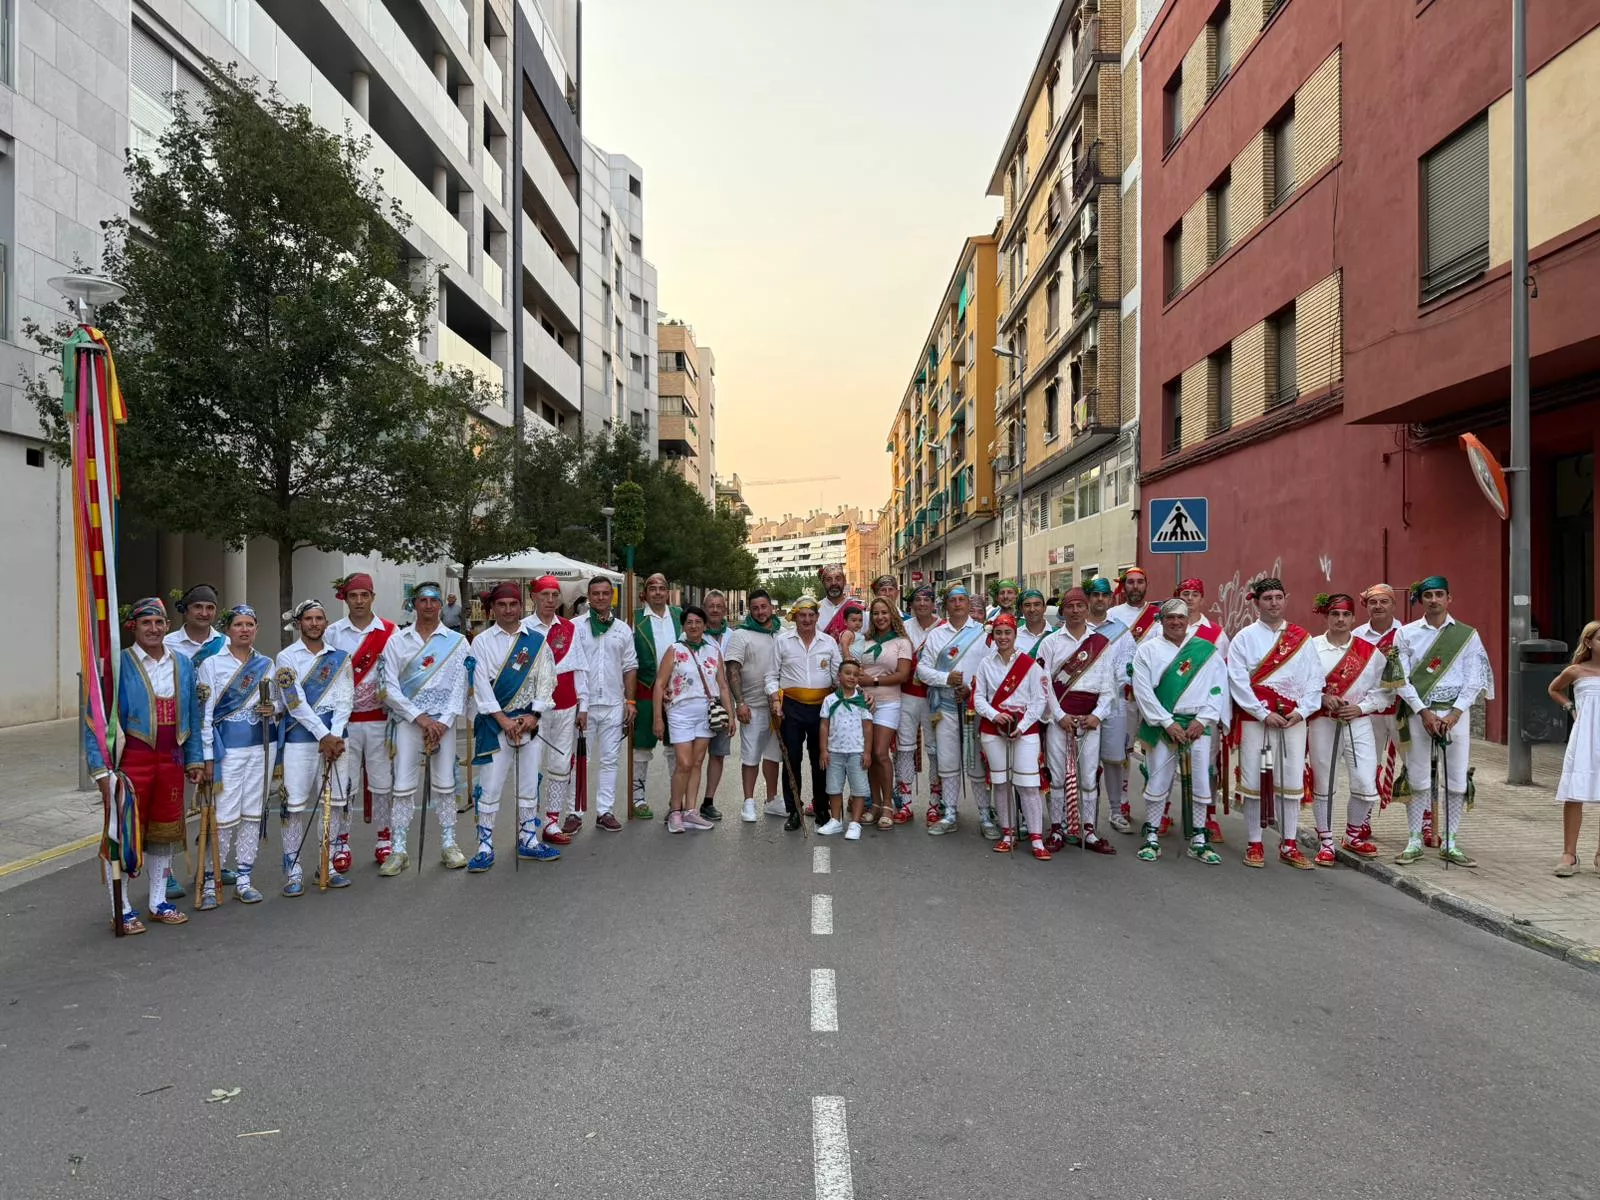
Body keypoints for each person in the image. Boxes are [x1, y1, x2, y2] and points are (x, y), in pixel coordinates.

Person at [88, 598, 206, 932]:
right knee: (125, 834)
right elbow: (95, 720)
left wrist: (194, 758)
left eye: (159, 623)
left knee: (163, 833)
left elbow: (192, 717)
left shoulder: (183, 664)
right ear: (134, 628)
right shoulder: (116, 664)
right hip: (131, 761)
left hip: (171, 759)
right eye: (146, 624)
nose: (153, 629)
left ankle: (158, 901)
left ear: (167, 626)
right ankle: (121, 906)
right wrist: (100, 770)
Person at [1392, 576, 1494, 867]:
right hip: (1419, 713)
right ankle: (1414, 840)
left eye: (1439, 594)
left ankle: (1450, 841)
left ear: (1450, 598)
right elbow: (1401, 677)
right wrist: (1423, 712)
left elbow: (1475, 678)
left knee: (1456, 780)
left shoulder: (1467, 635)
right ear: (1420, 600)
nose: (1434, 600)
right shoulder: (1407, 634)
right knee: (1418, 777)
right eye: (1428, 595)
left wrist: (1454, 714)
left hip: (1455, 715)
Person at [1227, 577, 1323, 869]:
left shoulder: (1302, 638)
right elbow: (1237, 681)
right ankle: (1255, 842)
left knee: (1291, 780)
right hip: (1257, 720)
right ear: (1256, 602)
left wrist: (1303, 711)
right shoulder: (1243, 638)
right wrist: (1261, 712)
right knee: (1254, 780)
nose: (1273, 603)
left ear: (1286, 599)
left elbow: (1314, 679)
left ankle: (1289, 843)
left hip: (1293, 721)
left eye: (1278, 597)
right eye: (1267, 598)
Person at [379, 582, 471, 874]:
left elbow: (462, 684)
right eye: (422, 600)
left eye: (434, 600)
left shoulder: (457, 641)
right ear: (413, 604)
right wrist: (419, 717)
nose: (429, 605)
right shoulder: (397, 641)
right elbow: (388, 686)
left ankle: (449, 844)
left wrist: (442, 722)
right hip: (409, 722)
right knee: (403, 786)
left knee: (445, 785)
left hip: (442, 723)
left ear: (441, 604)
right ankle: (399, 849)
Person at [467, 582, 561, 869]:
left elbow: (547, 680)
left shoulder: (537, 641)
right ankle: (484, 845)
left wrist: (534, 716)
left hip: (529, 724)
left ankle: (528, 839)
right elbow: (479, 685)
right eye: (502, 605)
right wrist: (503, 721)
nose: (508, 610)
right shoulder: (480, 642)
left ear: (522, 606)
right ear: (493, 608)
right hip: (496, 725)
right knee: (491, 785)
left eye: (513, 604)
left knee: (529, 782)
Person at [1131, 599, 1228, 865]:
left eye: (1181, 618)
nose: (1176, 622)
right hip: (1164, 726)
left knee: (1199, 780)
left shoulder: (1206, 651)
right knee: (1158, 779)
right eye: (1170, 617)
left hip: (1198, 726)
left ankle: (1199, 837)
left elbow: (1218, 688)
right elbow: (1143, 691)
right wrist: (1166, 722)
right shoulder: (1147, 651)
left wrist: (1204, 719)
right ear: (1161, 620)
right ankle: (1151, 834)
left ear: (1188, 621)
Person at [196, 605, 276, 907]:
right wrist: (207, 756)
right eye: (238, 624)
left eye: (250, 624)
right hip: (226, 751)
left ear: (256, 629)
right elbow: (204, 715)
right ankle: (209, 879)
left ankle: (244, 877)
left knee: (252, 814)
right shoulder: (212, 665)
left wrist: (274, 709)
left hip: (260, 747)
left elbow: (283, 702)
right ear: (228, 629)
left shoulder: (266, 664)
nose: (244, 629)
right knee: (223, 815)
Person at [274, 599, 353, 895]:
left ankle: (328, 863)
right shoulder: (286, 657)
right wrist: (323, 735)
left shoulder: (340, 657)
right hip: (301, 739)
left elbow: (346, 699)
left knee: (333, 803)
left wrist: (334, 736)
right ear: (299, 623)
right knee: (293, 806)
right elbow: (295, 702)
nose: (315, 623)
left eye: (319, 618)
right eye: (308, 618)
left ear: (326, 621)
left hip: (336, 740)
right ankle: (293, 869)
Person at [1307, 593, 1388, 865]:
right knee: (1324, 782)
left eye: (1345, 615)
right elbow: (1299, 685)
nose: (1340, 620)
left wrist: (1361, 708)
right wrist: (1321, 698)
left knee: (1366, 781)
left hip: (1358, 720)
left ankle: (1353, 835)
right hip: (1323, 721)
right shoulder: (1311, 647)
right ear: (1327, 617)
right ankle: (1326, 841)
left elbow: (1384, 693)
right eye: (1335, 614)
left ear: (1353, 618)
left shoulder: (1370, 652)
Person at [325, 573, 399, 867]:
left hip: (380, 721)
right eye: (353, 596)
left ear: (372, 597)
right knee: (345, 783)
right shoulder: (332, 633)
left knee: (382, 783)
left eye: (364, 595)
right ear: (345, 598)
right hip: (344, 724)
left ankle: (384, 837)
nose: (358, 601)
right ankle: (342, 841)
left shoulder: (390, 632)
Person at [159, 582, 226, 901]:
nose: (204, 612)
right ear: (185, 609)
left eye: (210, 607)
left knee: (218, 804)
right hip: (178, 733)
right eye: (198, 606)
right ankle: (166, 872)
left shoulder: (224, 642)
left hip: (217, 734)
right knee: (174, 805)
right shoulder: (168, 642)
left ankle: (213, 862)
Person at [1039, 588, 1117, 854]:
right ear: (1063, 610)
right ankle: (1058, 828)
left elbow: (1109, 686)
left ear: (1086, 609)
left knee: (1087, 778)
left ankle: (1088, 830)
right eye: (1070, 606)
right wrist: (1059, 716)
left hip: (1089, 721)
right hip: (1060, 719)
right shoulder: (1050, 642)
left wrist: (1097, 715)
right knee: (1058, 776)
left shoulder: (1101, 643)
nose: (1075, 610)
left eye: (1079, 606)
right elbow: (1044, 684)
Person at [972, 613, 1051, 859]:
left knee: (1028, 785)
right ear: (993, 636)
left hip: (1024, 730)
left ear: (1015, 634)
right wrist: (995, 716)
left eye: (1007, 632)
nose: (1003, 637)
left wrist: (1024, 724)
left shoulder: (1029, 665)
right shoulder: (986, 664)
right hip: (994, 729)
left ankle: (1037, 838)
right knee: (1002, 783)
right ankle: (1008, 833)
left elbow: (1039, 700)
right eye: (998, 633)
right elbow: (978, 697)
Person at [916, 585, 992, 836]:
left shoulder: (983, 633)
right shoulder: (937, 636)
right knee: (947, 760)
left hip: (974, 707)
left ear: (969, 604)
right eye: (953, 600)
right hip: (945, 706)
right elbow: (922, 670)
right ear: (946, 605)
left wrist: (971, 688)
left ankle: (985, 814)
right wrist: (946, 678)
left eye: (962, 600)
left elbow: (992, 670)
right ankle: (949, 812)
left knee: (976, 762)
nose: (958, 604)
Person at [653, 605, 734, 833]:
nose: (694, 626)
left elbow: (723, 686)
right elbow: (659, 684)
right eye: (689, 622)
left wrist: (731, 715)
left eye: (698, 622)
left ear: (705, 625)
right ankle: (675, 812)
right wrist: (658, 718)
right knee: (684, 763)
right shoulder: (674, 649)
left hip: (706, 712)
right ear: (683, 625)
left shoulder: (713, 650)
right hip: (680, 711)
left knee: (697, 762)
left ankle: (691, 811)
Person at [521, 576, 590, 843]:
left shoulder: (571, 629)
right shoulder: (523, 628)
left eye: (554, 595)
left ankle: (551, 821)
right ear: (534, 598)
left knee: (561, 764)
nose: (550, 600)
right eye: (545, 595)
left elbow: (579, 670)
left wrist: (583, 705)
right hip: (532, 709)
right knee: (531, 765)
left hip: (565, 705)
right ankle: (526, 823)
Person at [766, 595, 840, 832]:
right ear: (795, 617)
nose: (807, 619)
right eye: (802, 615)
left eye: (811, 615)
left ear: (817, 617)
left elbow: (839, 675)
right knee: (792, 758)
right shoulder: (782, 641)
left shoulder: (828, 642)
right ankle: (794, 810)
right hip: (791, 707)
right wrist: (775, 700)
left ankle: (821, 808)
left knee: (821, 759)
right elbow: (771, 675)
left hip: (822, 708)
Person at [574, 576, 638, 833]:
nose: (600, 597)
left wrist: (630, 701)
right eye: (595, 593)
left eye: (605, 593)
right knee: (580, 759)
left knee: (610, 760)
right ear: (588, 596)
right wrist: (578, 704)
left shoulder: (623, 629)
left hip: (613, 702)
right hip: (584, 705)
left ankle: (605, 811)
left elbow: (630, 666)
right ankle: (574, 812)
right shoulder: (576, 627)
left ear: (612, 596)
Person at [1174, 577, 1230, 842]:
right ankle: (1161, 814)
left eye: (1195, 593)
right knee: (1162, 765)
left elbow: (1221, 676)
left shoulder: (1215, 633)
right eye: (1185, 593)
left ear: (1202, 599)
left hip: (1203, 712)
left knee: (1206, 766)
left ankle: (1209, 817)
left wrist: (1212, 713)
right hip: (1170, 709)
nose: (1190, 598)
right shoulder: (1164, 628)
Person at [1353, 582, 1409, 846]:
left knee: (1414, 766)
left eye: (1383, 601)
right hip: (1369, 710)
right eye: (1373, 602)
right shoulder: (1357, 636)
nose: (1378, 606)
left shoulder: (1407, 633)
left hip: (1402, 710)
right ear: (1367, 606)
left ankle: (1423, 824)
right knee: (1367, 765)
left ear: (1393, 605)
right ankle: (1363, 820)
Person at [850, 598, 913, 828]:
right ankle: (874, 803)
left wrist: (873, 681)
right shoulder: (863, 641)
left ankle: (888, 803)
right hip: (863, 702)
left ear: (892, 614)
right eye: (875, 613)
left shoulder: (902, 642)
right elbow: (854, 670)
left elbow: (902, 675)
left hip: (888, 702)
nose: (880, 617)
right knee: (867, 754)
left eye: (884, 612)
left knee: (880, 752)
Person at [726, 590, 785, 822]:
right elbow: (732, 670)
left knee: (773, 755)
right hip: (752, 705)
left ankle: (771, 799)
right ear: (750, 610)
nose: (760, 612)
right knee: (750, 756)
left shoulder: (782, 632)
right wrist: (740, 702)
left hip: (778, 706)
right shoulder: (741, 635)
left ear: (771, 607)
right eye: (755, 608)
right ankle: (748, 802)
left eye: (764, 606)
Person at [1087, 577, 1139, 834]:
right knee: (1082, 759)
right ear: (1089, 597)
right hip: (1083, 702)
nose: (1099, 599)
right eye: (1095, 594)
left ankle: (1116, 811)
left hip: (1114, 703)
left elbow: (1127, 667)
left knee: (1113, 759)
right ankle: (1083, 813)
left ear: (1110, 598)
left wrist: (1106, 688)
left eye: (1104, 595)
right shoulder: (1076, 627)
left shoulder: (1121, 631)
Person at [631, 573, 682, 820]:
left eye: (662, 588)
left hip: (677, 690)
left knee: (676, 746)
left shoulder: (679, 616)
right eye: (653, 589)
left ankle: (677, 796)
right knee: (641, 747)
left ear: (668, 592)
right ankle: (637, 798)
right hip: (645, 687)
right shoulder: (635, 619)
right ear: (646, 593)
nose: (658, 593)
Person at [1550, 620, 1600, 876]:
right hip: (1584, 738)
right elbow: (1554, 689)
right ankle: (1569, 854)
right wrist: (1570, 708)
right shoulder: (1576, 671)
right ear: (1589, 642)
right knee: (1574, 794)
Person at [894, 585, 942, 823]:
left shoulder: (944, 628)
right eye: (918, 599)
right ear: (911, 604)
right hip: (907, 695)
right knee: (905, 747)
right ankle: (905, 803)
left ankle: (935, 802)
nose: (922, 603)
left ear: (934, 603)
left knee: (935, 749)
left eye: (927, 599)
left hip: (936, 698)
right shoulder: (903, 627)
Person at [819, 660, 873, 839]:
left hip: (856, 751)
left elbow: (867, 727)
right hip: (835, 751)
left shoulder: (861, 700)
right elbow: (824, 725)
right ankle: (835, 820)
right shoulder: (829, 700)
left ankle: (855, 823)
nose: (851, 677)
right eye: (848, 673)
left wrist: (867, 752)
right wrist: (823, 750)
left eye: (855, 674)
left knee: (859, 788)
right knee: (834, 786)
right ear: (839, 676)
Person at [699, 590, 735, 823]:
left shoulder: (734, 635)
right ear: (704, 608)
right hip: (698, 701)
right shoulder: (694, 633)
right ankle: (683, 803)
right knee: (693, 756)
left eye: (719, 606)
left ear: (725, 609)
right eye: (710, 606)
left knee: (718, 753)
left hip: (724, 700)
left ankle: (708, 801)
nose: (715, 610)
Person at [818, 565, 851, 638]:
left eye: (838, 579)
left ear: (844, 582)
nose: (833, 583)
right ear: (823, 583)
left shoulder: (856, 608)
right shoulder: (815, 610)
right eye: (829, 580)